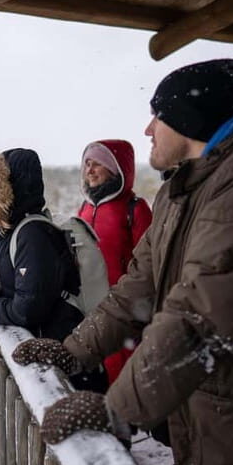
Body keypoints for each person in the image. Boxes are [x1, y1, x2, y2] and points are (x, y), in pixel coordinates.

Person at [12, 59, 233, 465]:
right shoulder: (186, 189)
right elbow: (136, 286)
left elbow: (202, 315)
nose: (148, 129)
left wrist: (116, 411)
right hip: (221, 418)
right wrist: (71, 352)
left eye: (158, 115)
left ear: (190, 120)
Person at [0, 145, 107, 393]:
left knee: (92, 431)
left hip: (68, 370)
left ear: (12, 189)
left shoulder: (33, 234)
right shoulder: (11, 233)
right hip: (52, 362)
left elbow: (26, 311)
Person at [78, 139, 152, 385]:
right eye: (87, 163)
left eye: (97, 163)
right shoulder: (84, 209)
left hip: (124, 315)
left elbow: (151, 265)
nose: (89, 170)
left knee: (123, 383)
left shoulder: (136, 209)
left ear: (117, 169)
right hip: (89, 313)